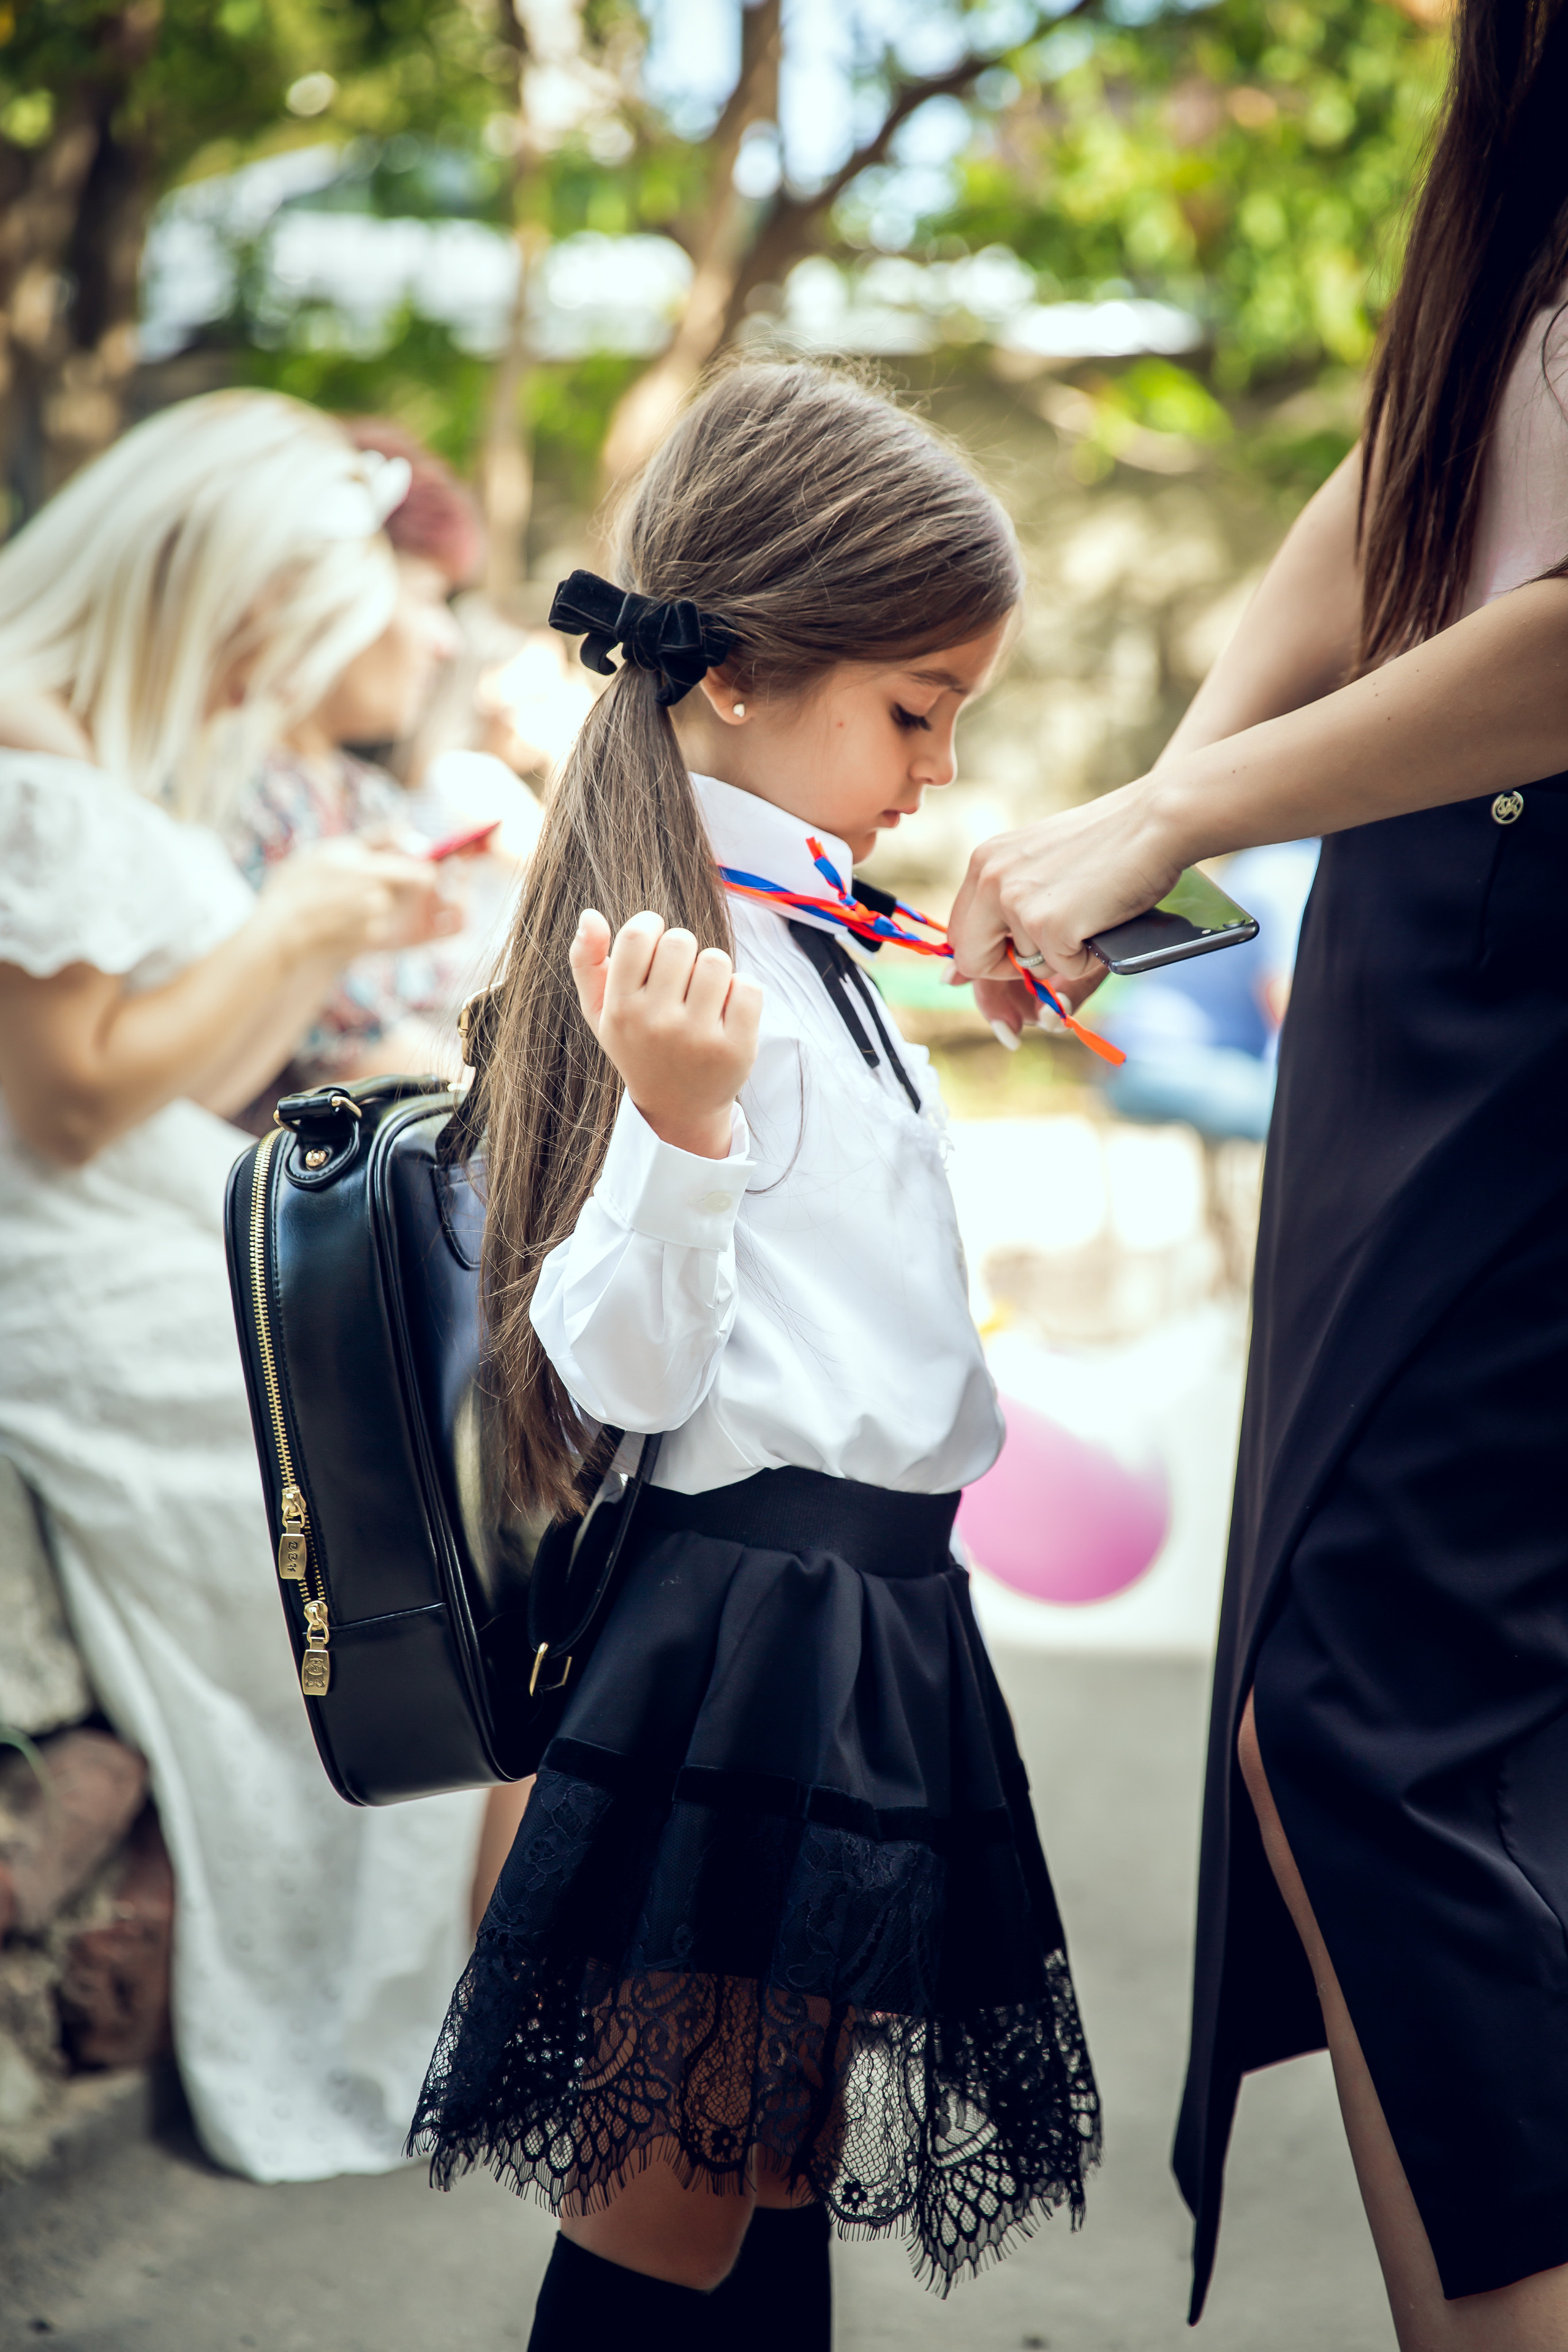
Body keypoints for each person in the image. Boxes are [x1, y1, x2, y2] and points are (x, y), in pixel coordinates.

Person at [947, 3, 1568, 2342]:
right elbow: (1416, 471)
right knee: (1348, 1738)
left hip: (1524, 986)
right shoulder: (1513, 170)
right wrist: (1163, 797)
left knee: (1372, 1734)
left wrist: (1187, 808)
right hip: (1423, 967)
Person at [407, 361, 1101, 2350]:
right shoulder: (681, 960)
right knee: (671, 2207)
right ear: (735, 676)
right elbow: (616, 1371)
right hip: (751, 1633)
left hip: (864, 1617)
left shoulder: (804, 926)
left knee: (768, 2163)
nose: (940, 769)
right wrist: (682, 1126)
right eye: (916, 710)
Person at [0, 390, 494, 2184]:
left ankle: (417, 1981)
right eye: (261, 645)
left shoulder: (98, 744)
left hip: (137, 1211)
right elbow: (68, 1104)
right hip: (67, 1254)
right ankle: (364, 1999)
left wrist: (322, 935)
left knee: (420, 1432)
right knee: (356, 1476)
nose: (258, 689)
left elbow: (186, 1068)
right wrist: (294, 928)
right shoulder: (29, 745)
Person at [227, 421, 526, 1095]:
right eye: (428, 598)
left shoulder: (363, 793)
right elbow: (346, 1051)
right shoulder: (238, 790)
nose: (447, 641)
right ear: (335, 588)